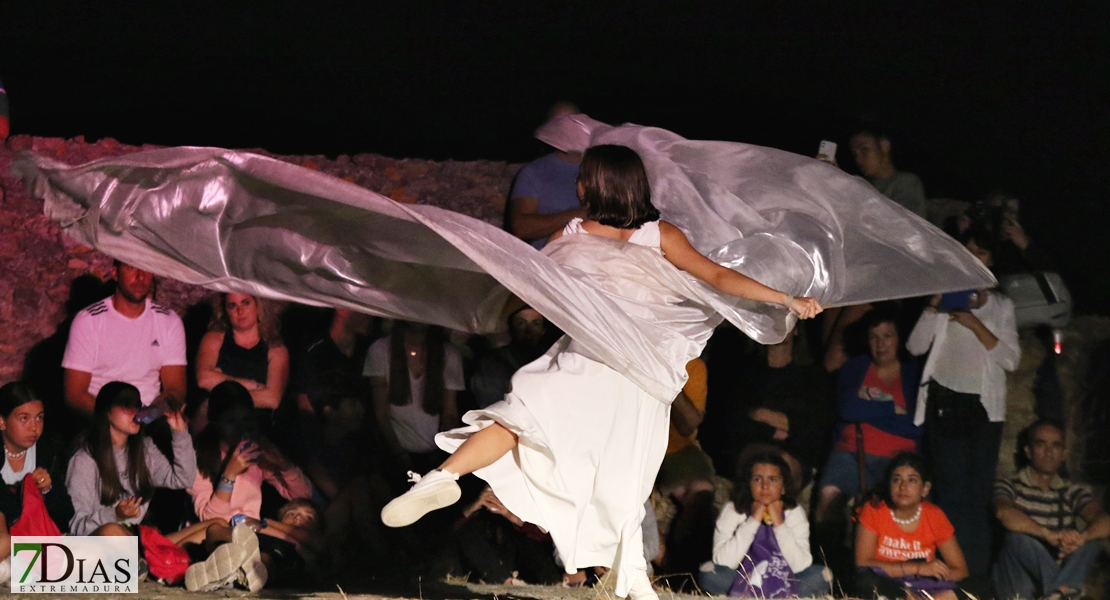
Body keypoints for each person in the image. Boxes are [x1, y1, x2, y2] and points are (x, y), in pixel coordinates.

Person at [380, 145, 822, 600]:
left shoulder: (578, 234)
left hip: (601, 365)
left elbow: (529, 287)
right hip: (635, 375)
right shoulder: (651, 235)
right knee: (619, 474)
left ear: (598, 185)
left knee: (524, 419)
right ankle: (632, 581)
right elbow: (719, 277)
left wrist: (782, 298)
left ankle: (444, 476)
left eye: (583, 177)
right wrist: (785, 299)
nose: (576, 185)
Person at [906, 227, 1020, 577]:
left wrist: (973, 323)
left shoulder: (1002, 306)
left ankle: (977, 577)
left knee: (976, 499)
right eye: (967, 252)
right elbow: (914, 347)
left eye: (981, 253)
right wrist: (934, 304)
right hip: (944, 404)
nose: (974, 259)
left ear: (991, 262)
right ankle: (949, 576)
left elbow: (1011, 360)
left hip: (985, 411)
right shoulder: (943, 301)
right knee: (950, 496)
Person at [185, 381, 314, 592]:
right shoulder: (200, 458)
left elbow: (303, 495)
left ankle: (237, 576)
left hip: (255, 536)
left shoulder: (255, 454)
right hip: (217, 539)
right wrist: (229, 474)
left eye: (245, 420)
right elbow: (208, 519)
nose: (239, 428)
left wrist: (284, 465)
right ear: (216, 422)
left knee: (266, 561)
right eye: (231, 421)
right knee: (219, 529)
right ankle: (230, 568)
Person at [815, 310, 922, 525]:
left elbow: (916, 426)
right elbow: (847, 409)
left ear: (899, 339)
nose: (880, 344)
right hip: (851, 452)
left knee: (887, 513)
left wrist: (866, 411)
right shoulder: (854, 368)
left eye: (887, 336)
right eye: (874, 337)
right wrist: (892, 408)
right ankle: (828, 556)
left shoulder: (914, 374)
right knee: (827, 500)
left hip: (897, 458)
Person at [993, 419, 1109, 600]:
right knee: (1016, 539)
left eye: (1055, 446)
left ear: (1063, 454)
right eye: (1041, 445)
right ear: (1028, 451)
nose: (1049, 453)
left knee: (1093, 540)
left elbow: (1105, 521)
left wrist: (1081, 538)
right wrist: (1047, 535)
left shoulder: (1071, 490)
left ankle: (1057, 593)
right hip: (1020, 579)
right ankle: (1064, 591)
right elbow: (1004, 513)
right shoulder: (1010, 485)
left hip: (1058, 571)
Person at [65, 381, 199, 535]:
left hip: (136, 540)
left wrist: (179, 433)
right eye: (126, 405)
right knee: (112, 530)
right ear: (107, 412)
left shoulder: (145, 449)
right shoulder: (85, 460)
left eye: (137, 405)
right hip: (100, 544)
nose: (135, 411)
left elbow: (184, 479)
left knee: (217, 524)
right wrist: (115, 514)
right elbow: (77, 527)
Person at [62, 261, 187, 415]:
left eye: (146, 269)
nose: (140, 277)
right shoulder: (89, 320)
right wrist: (117, 417)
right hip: (102, 419)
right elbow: (75, 394)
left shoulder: (168, 320)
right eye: (131, 267)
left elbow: (175, 388)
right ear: (115, 273)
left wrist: (146, 416)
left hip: (150, 417)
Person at [699, 452, 826, 598]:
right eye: (757, 479)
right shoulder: (733, 509)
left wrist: (779, 523)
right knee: (710, 574)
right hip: (742, 576)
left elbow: (801, 565)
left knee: (819, 576)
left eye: (773, 480)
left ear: (783, 487)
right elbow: (722, 561)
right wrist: (753, 520)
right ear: (748, 484)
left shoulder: (794, 512)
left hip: (784, 576)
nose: (765, 486)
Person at [854, 452, 969, 600]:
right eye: (896, 480)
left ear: (925, 489)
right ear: (889, 485)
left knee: (979, 586)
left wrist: (936, 572)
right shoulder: (873, 510)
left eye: (912, 480)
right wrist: (918, 568)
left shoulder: (934, 515)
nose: (903, 487)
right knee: (867, 582)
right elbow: (863, 563)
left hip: (926, 586)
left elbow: (961, 571)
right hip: (890, 584)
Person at [366, 321, 463, 477]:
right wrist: (399, 454)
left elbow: (449, 413)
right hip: (394, 453)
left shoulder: (448, 353)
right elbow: (382, 412)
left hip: (435, 453)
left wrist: (450, 458)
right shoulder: (380, 350)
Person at [506, 103, 587, 249]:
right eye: (559, 121)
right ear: (549, 127)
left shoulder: (603, 168)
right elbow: (521, 227)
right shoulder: (535, 171)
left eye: (573, 121)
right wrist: (582, 214)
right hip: (550, 264)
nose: (567, 127)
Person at [195, 292, 289, 412]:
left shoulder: (276, 349)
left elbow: (272, 399)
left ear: (258, 306)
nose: (240, 311)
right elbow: (204, 379)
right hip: (217, 423)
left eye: (245, 303)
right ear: (225, 310)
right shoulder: (213, 339)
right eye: (232, 306)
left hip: (256, 425)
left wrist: (220, 389)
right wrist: (253, 386)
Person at [0, 383, 74, 536]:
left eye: (39, 418)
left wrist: (47, 491)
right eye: (24, 418)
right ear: (2, 422)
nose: (34, 427)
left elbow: (65, 517)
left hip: (38, 543)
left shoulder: (49, 452)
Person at [848, 123, 927, 217]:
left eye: (864, 149)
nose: (858, 159)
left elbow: (903, 224)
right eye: (855, 154)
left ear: (884, 146)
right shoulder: (861, 186)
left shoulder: (906, 182)